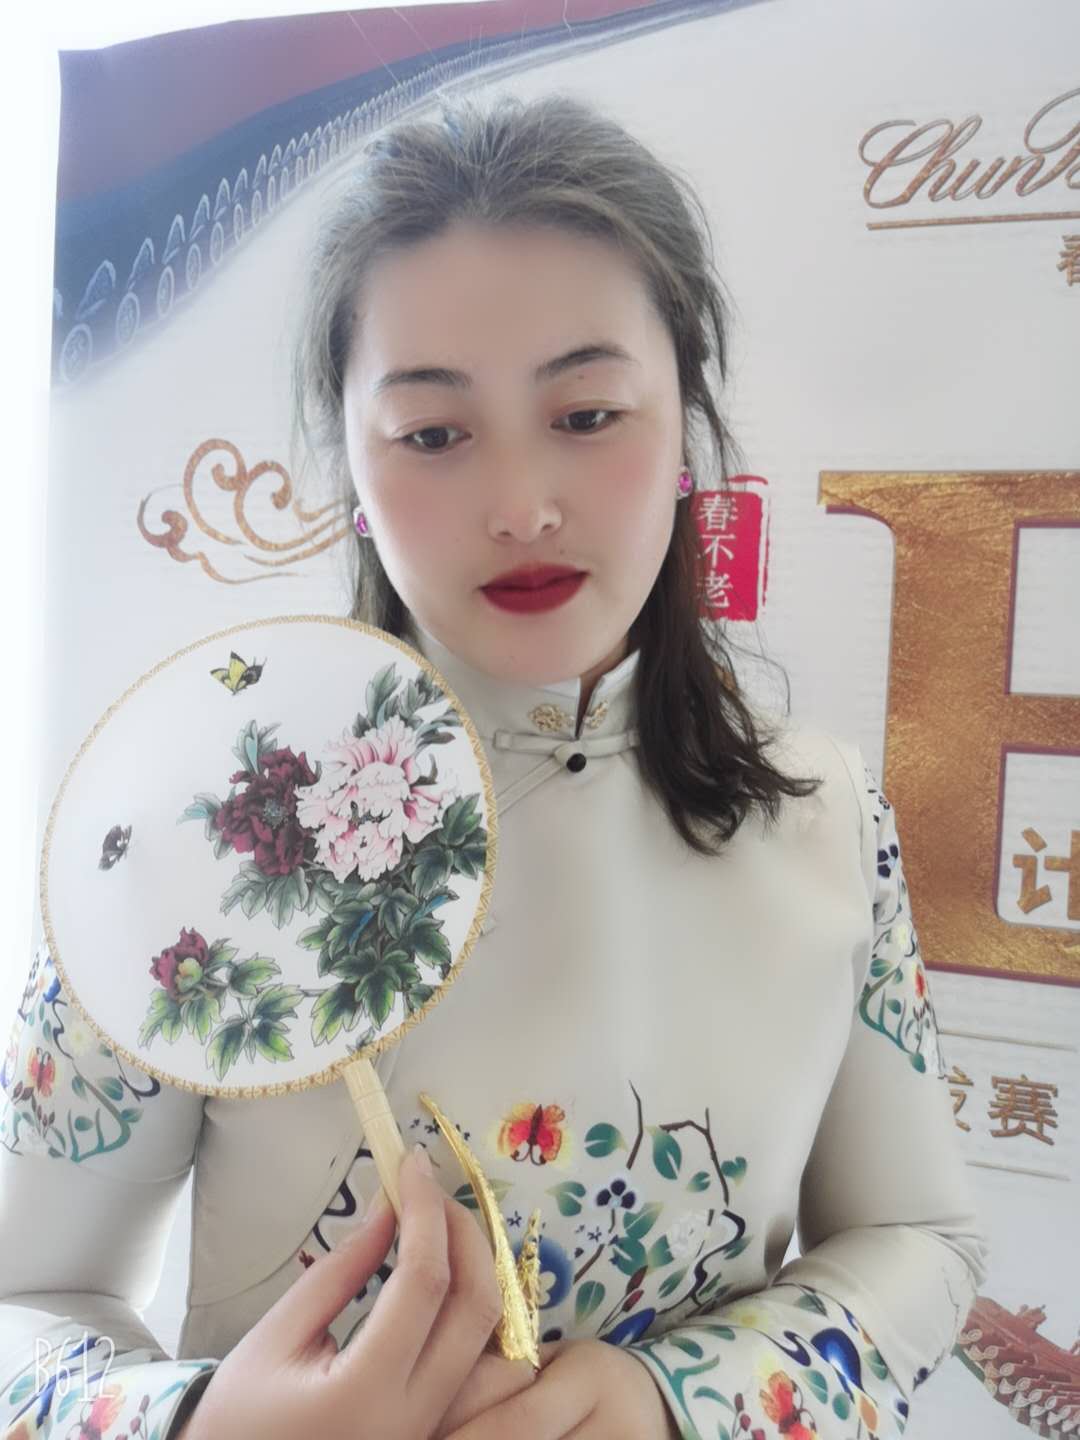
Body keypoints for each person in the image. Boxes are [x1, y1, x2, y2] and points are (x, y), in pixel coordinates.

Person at [0, 90, 989, 1440]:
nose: (521, 505)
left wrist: (678, 1401)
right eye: (434, 434)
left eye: (587, 413)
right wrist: (200, 1428)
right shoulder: (189, 835)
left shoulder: (827, 823)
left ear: (685, 426)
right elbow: (22, 1294)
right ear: (353, 464)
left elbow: (924, 1240)